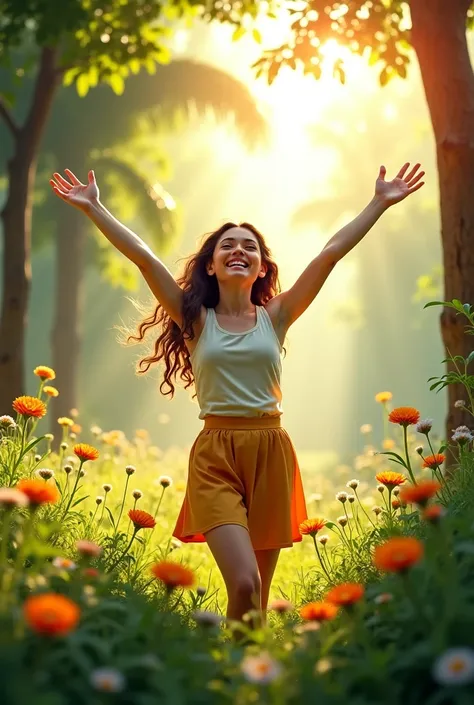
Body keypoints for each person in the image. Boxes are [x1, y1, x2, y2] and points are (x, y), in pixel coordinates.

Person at [50, 162, 425, 635]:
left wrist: (378, 203)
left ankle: (239, 678)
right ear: (211, 264)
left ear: (262, 267)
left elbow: (329, 254)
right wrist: (95, 207)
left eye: (250, 246)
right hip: (216, 456)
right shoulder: (195, 320)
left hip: (271, 451)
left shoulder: (278, 314)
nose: (239, 250)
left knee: (256, 603)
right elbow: (144, 256)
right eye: (227, 244)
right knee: (244, 583)